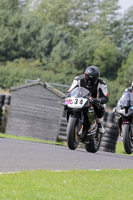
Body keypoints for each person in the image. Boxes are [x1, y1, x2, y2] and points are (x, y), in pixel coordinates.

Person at [67, 66, 109, 134]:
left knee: (100, 107)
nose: (89, 81)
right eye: (88, 78)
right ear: (84, 75)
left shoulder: (102, 83)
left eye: (92, 80)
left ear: (97, 78)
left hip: (93, 99)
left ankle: (99, 124)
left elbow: (105, 97)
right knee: (68, 105)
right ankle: (70, 124)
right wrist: (67, 96)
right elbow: (70, 91)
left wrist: (98, 100)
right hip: (80, 98)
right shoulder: (78, 79)